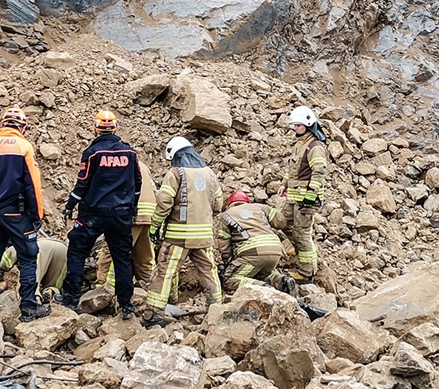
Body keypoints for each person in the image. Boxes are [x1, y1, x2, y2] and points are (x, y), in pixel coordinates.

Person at [55, 110, 141, 320]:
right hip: (121, 214)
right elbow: (138, 183)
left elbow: (82, 182)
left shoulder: (92, 153)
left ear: (95, 128)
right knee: (122, 258)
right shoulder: (130, 153)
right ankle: (126, 304)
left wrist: (70, 204)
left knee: (77, 252)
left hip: (92, 213)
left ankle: (71, 298)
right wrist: (133, 206)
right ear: (115, 127)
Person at [0, 107, 49, 322]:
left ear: (2, 124)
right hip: (17, 214)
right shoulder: (23, 146)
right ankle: (29, 306)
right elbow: (32, 184)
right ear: (22, 127)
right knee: (28, 257)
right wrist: (37, 215)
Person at [143, 136, 223, 327]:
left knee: (165, 273)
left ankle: (154, 314)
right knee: (209, 273)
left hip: (178, 236)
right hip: (204, 237)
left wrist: (154, 226)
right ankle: (217, 312)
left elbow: (164, 202)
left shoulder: (176, 173)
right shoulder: (210, 174)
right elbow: (218, 203)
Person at [277, 105, 327, 282]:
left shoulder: (315, 147)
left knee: (302, 233)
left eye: (297, 126)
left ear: (307, 124)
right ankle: (299, 249)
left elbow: (319, 173)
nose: (293, 128)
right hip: (293, 196)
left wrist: (311, 196)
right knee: (282, 221)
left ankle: (306, 271)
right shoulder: (300, 145)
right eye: (293, 125)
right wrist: (284, 184)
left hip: (306, 199)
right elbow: (292, 169)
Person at [215, 190, 297, 295]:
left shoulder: (226, 215)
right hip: (275, 250)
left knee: (229, 279)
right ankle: (283, 282)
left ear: (230, 204)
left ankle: (262, 288)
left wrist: (229, 262)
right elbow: (281, 222)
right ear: (247, 202)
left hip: (251, 252)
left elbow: (223, 242)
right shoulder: (260, 207)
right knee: (260, 274)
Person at [96, 157, 157, 288]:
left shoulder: (116, 164)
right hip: (148, 214)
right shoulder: (143, 165)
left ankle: (103, 288)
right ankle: (148, 286)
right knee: (145, 256)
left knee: (113, 252)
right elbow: (154, 190)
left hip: (129, 214)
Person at [0, 238, 68, 301]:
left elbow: (0, 265)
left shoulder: (13, 249)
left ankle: (35, 299)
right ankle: (51, 291)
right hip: (64, 250)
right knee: (54, 282)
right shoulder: (28, 242)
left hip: (39, 250)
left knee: (33, 279)